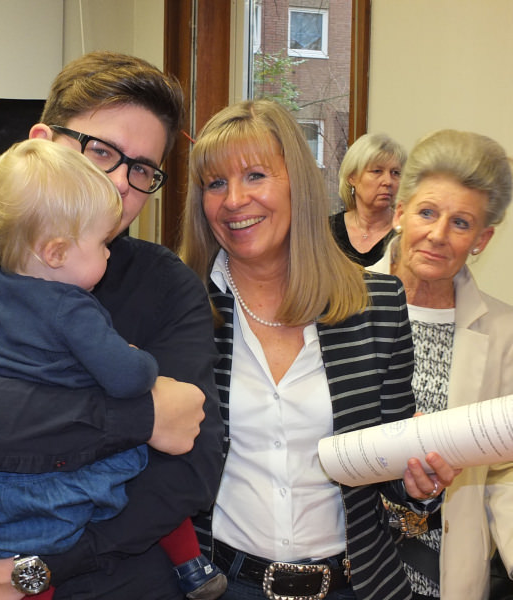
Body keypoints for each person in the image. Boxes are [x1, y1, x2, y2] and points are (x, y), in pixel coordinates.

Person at [0, 51, 225, 599]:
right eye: (101, 151)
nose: (120, 183)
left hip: (122, 585)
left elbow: (190, 469)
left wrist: (36, 570)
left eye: (141, 169)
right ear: (41, 142)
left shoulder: (168, 283)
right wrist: (144, 415)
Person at [177, 99, 458, 600]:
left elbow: (390, 465)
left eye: (255, 175)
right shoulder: (182, 308)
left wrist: (422, 482)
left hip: (354, 584)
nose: (234, 200)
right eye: (215, 183)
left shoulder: (378, 306)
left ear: (298, 185)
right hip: (221, 583)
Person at [0, 138, 225, 600]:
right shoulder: (73, 309)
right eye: (101, 244)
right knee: (141, 458)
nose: (110, 254)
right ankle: (192, 565)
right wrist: (141, 358)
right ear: (55, 253)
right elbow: (128, 377)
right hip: (57, 484)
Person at [372, 128, 513, 600]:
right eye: (427, 213)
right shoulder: (337, 304)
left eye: (461, 222)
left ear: (482, 238)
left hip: (445, 574)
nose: (437, 234)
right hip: (350, 565)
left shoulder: (504, 333)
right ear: (400, 213)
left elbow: (505, 470)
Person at [329, 133, 406, 267]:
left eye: (395, 173)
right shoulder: (327, 230)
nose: (388, 181)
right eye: (377, 171)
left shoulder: (405, 233)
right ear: (352, 177)